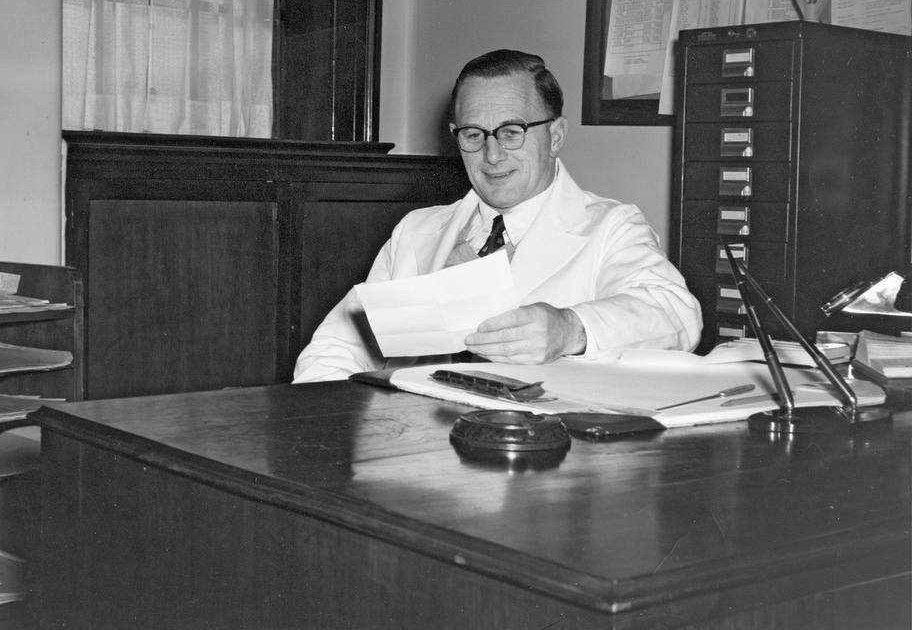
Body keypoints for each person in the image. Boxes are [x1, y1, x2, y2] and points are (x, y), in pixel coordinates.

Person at [293, 49, 701, 383]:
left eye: (511, 131)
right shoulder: (418, 232)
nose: (492, 155)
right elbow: (337, 345)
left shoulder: (610, 227)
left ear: (555, 136)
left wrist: (570, 328)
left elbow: (675, 313)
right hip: (420, 455)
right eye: (474, 135)